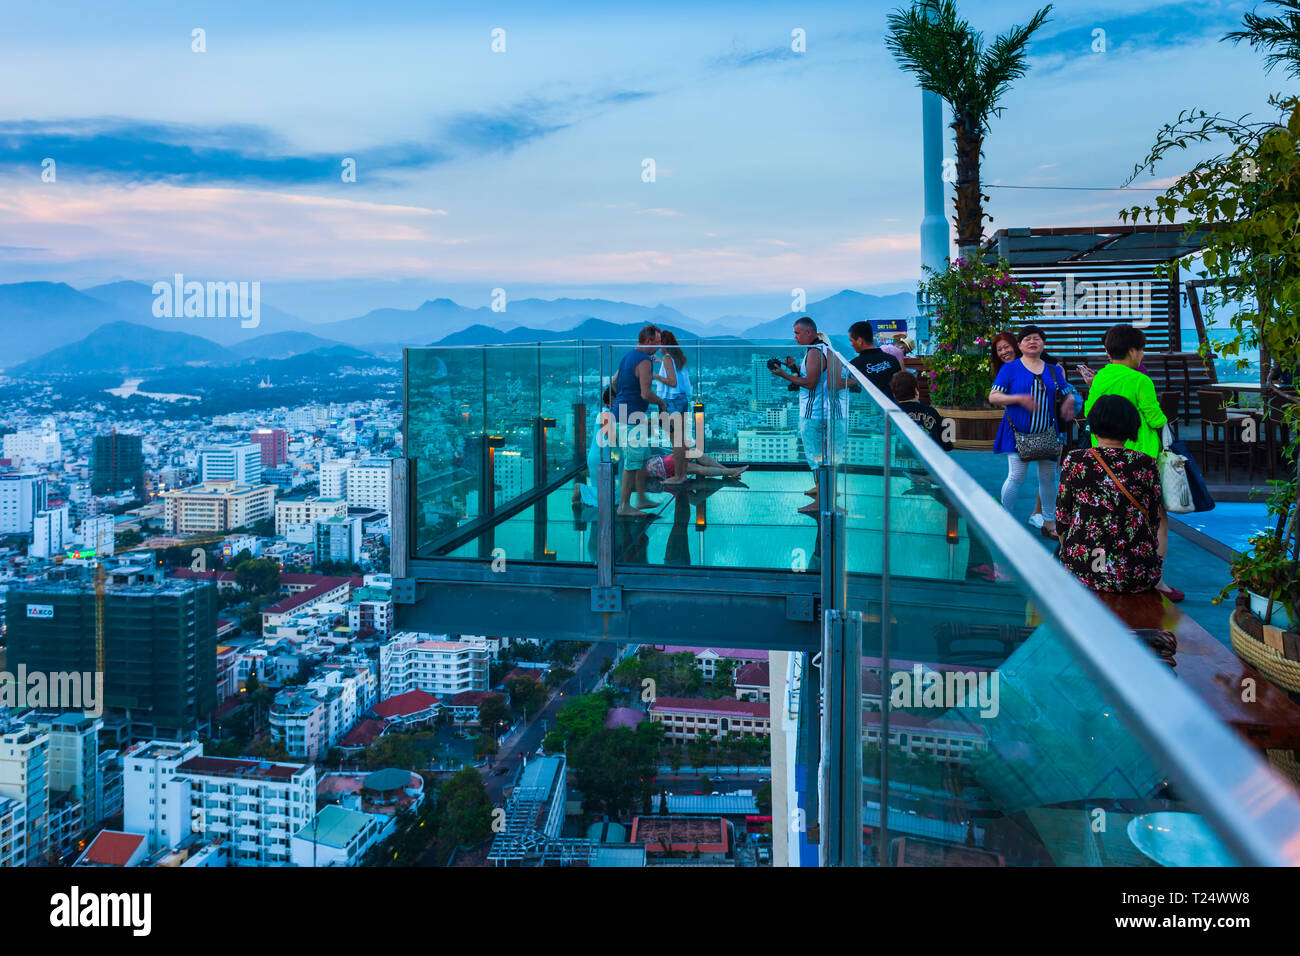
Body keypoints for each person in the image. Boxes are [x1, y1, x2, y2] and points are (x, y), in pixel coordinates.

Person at [1082, 323, 1181, 601]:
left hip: (1104, 457)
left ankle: (1100, 573)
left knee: (1108, 518)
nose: (1143, 355)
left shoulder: (1101, 377)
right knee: (1156, 519)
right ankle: (1157, 580)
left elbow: (1090, 411)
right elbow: (1155, 417)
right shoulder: (1141, 380)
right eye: (1142, 349)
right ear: (1133, 351)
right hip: (1140, 460)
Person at [1056, 395, 1162, 593]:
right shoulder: (1146, 463)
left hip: (1083, 566)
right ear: (1132, 425)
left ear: (1094, 424)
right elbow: (1153, 518)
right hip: (1136, 570)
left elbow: (1063, 514)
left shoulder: (1076, 460)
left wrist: (1066, 546)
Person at [989, 324, 1076, 539]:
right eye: (1027, 339)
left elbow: (1067, 391)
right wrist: (1018, 399)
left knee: (1048, 479)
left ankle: (1049, 522)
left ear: (1043, 343)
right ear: (1020, 345)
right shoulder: (1009, 368)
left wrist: (1070, 400)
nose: (1032, 341)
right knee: (1016, 477)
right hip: (1017, 433)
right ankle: (1004, 518)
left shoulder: (1054, 370)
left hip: (1048, 432)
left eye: (1037, 338)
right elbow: (994, 396)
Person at [770, 316, 846, 516]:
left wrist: (783, 375)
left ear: (809, 333)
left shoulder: (814, 352)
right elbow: (813, 379)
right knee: (824, 456)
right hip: (825, 412)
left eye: (797, 333)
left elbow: (811, 384)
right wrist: (794, 368)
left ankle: (822, 501)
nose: (794, 337)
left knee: (816, 458)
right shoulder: (824, 350)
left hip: (813, 414)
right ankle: (822, 492)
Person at [612, 324, 668, 516]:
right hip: (630, 418)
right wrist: (662, 403)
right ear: (648, 341)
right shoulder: (644, 361)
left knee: (643, 457)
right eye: (658, 342)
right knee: (632, 462)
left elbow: (613, 382)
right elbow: (646, 393)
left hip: (624, 414)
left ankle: (642, 499)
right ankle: (624, 506)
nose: (659, 346)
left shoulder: (627, 356)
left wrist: (624, 396)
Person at [652, 330, 692, 487]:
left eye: (659, 342)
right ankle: (682, 475)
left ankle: (678, 476)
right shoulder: (677, 357)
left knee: (676, 441)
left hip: (671, 402)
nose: (658, 345)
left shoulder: (668, 359)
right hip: (682, 400)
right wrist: (660, 362)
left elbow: (672, 382)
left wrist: (655, 376)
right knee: (681, 440)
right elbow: (677, 377)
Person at [891, 370, 952, 451]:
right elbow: (947, 445)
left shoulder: (891, 415)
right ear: (916, 391)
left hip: (900, 459)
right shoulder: (932, 412)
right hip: (931, 460)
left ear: (894, 394)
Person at [848, 320, 902, 396]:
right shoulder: (892, 360)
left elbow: (855, 396)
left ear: (860, 341)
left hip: (869, 407)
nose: (851, 344)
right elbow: (901, 387)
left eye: (851, 341)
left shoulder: (854, 366)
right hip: (893, 406)